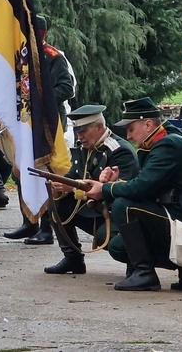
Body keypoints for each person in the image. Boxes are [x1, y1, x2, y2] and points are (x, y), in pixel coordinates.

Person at [83, 97, 182, 291]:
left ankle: (145, 273)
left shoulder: (167, 145)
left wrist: (104, 189)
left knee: (123, 207)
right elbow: (148, 184)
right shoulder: (166, 138)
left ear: (147, 124)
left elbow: (141, 188)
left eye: (131, 129)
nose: (128, 136)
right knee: (114, 240)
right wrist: (116, 182)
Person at [3, 15, 76, 245]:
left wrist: (40, 102)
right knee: (22, 170)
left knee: (44, 173)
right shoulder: (20, 56)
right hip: (25, 123)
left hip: (47, 125)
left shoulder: (52, 57)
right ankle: (29, 221)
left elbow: (66, 88)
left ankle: (46, 228)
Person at [43, 105, 139, 275]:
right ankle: (73, 259)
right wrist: (60, 188)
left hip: (117, 213)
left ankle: (136, 264)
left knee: (106, 237)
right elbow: (73, 176)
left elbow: (122, 190)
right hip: (95, 208)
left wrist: (73, 186)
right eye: (77, 131)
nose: (79, 136)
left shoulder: (119, 150)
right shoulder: (84, 148)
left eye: (84, 131)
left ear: (99, 127)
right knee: (56, 205)